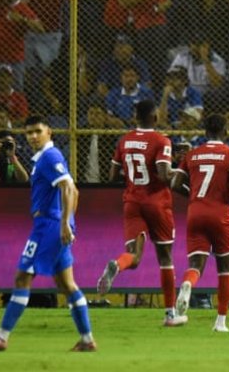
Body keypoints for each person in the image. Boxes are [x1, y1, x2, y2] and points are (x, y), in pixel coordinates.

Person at [0, 115, 96, 351]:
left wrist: (63, 223)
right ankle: (87, 339)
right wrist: (68, 222)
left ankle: (1, 336)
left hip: (48, 227)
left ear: (49, 132)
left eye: (37, 131)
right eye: (28, 132)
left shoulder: (49, 156)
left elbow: (68, 188)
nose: (32, 136)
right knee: (67, 284)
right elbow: (74, 191)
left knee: (23, 278)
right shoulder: (45, 158)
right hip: (54, 225)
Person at [96, 100, 181, 326]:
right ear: (155, 117)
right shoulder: (162, 140)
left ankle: (117, 265)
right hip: (157, 204)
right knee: (165, 258)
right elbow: (164, 175)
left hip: (133, 202)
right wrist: (180, 168)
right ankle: (170, 314)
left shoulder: (124, 140)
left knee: (133, 257)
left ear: (135, 117)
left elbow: (112, 175)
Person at [172, 113, 229, 332]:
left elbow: (175, 184)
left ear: (205, 132)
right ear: (225, 132)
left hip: (195, 212)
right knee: (225, 269)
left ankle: (187, 284)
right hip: (220, 214)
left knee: (196, 265)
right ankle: (220, 322)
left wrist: (193, 195)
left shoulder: (192, 154)